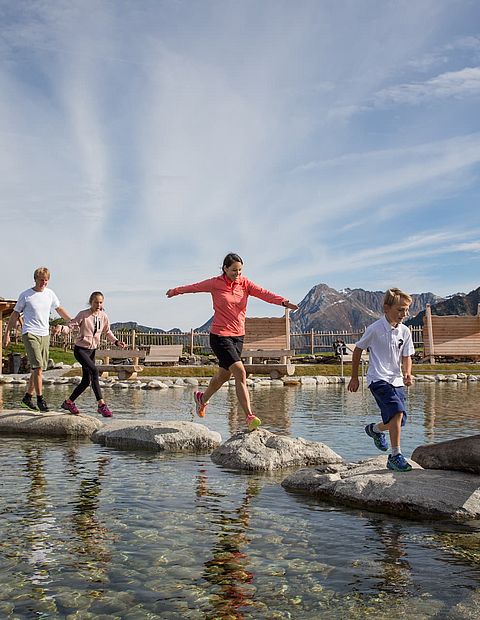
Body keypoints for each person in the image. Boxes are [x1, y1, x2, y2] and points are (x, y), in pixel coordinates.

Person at [166, 253, 298, 431]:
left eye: (240, 270)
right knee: (240, 371)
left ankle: (202, 399)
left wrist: (283, 302)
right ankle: (249, 417)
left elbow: (264, 293)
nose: (238, 274)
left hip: (238, 336)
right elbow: (194, 287)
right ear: (225, 269)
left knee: (224, 375)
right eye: (234, 270)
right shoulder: (215, 283)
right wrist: (175, 291)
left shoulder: (245, 284)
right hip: (220, 336)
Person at [347, 288, 415, 472]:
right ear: (387, 308)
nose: (404, 314)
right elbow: (358, 350)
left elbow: (407, 355)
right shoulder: (375, 329)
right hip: (378, 379)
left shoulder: (405, 331)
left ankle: (375, 430)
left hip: (397, 380)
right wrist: (354, 377)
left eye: (406, 310)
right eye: (400, 309)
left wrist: (407, 373)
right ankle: (395, 455)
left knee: (399, 421)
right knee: (397, 412)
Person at [2, 267, 71, 412]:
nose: (43, 283)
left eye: (46, 281)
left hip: (44, 335)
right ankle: (40, 400)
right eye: (41, 280)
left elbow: (59, 309)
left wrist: (72, 320)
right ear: (35, 279)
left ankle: (27, 398)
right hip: (30, 333)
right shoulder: (26, 295)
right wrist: (7, 334)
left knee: (37, 369)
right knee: (38, 367)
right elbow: (14, 316)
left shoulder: (50, 294)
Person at [56, 291, 126, 418]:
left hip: (92, 351)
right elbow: (71, 325)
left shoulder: (103, 316)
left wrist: (116, 341)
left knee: (85, 381)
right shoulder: (83, 314)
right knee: (94, 371)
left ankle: (68, 403)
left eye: (100, 302)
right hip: (81, 350)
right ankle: (101, 405)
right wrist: (62, 329)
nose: (98, 305)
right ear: (91, 302)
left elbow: (107, 331)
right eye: (96, 302)